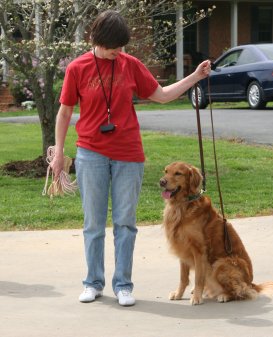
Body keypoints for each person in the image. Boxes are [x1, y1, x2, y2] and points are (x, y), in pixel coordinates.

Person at [51, 9, 210, 306]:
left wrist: (194, 77)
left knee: (125, 223)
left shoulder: (130, 65)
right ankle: (93, 283)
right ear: (98, 40)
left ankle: (123, 285)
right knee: (93, 223)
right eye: (114, 47)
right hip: (91, 153)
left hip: (128, 155)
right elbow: (65, 112)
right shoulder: (78, 68)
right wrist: (59, 153)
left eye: (122, 47)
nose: (118, 52)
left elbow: (161, 95)